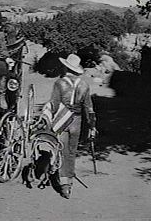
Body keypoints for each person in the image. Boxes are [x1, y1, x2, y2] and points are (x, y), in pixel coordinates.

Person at [48, 54, 97, 199]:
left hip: (63, 120)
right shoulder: (84, 85)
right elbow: (89, 108)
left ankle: (63, 184)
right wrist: (92, 125)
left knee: (62, 150)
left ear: (65, 67)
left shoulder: (59, 83)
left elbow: (54, 104)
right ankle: (69, 181)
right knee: (71, 151)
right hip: (77, 120)